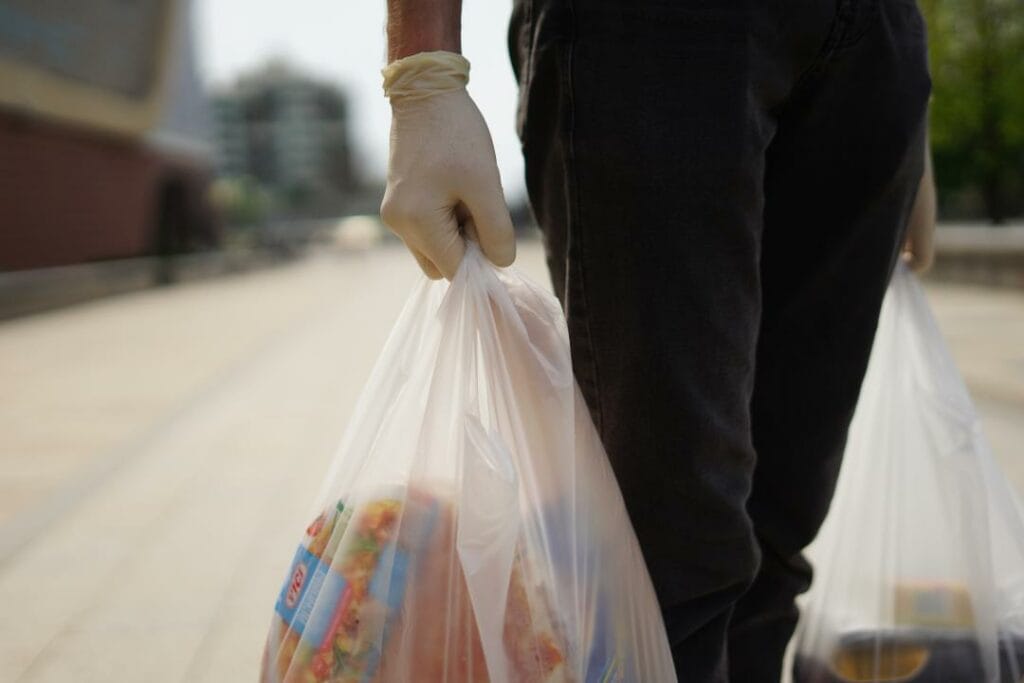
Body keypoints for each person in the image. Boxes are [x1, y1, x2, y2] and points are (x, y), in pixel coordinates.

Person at [379, 0, 936, 680]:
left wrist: (905, 95)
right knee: (669, 555)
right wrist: (422, 67)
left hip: (873, 39)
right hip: (656, 31)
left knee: (780, 535)